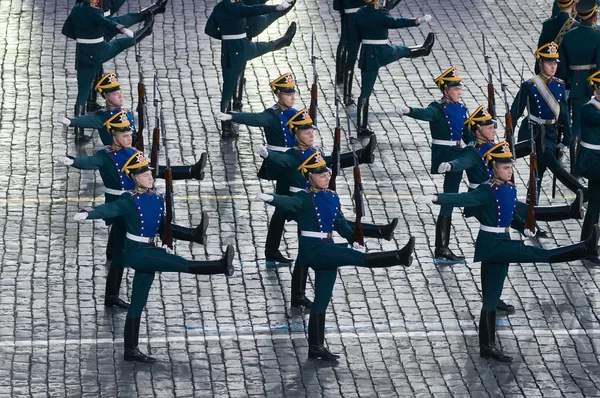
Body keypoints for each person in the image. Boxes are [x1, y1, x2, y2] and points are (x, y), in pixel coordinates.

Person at [416, 142, 600, 362]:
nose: (510, 171)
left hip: (502, 240)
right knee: (543, 256)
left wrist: (524, 226)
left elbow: (511, 216)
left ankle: (487, 346)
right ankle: (584, 248)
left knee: (491, 298)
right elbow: (463, 199)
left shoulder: (509, 188)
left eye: (511, 167)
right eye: (505, 168)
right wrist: (438, 197)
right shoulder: (486, 190)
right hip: (492, 245)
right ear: (494, 168)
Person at [73, 151, 235, 363]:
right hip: (137, 254)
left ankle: (130, 350)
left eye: (149, 173)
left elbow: (163, 228)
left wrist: (189, 236)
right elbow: (108, 209)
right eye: (144, 175)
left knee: (137, 303)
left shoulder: (157, 199)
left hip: (149, 251)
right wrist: (89, 213)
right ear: (134, 178)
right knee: (180, 264)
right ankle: (220, 266)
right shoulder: (128, 200)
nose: (150, 176)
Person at [254, 153, 415, 362]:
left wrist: (352, 237)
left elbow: (339, 223)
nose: (325, 177)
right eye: (320, 175)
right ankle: (398, 257)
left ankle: (316, 347)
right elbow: (289, 203)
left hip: (327, 248)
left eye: (326, 173)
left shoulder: (331, 196)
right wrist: (272, 198)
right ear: (309, 177)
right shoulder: (304, 198)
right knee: (357, 258)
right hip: (314, 250)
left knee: (321, 301)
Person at [216, 74, 376, 265]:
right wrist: (231, 116)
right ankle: (272, 251)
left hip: (301, 159)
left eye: (293, 92)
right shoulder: (272, 115)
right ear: (278, 94)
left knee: (322, 170)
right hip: (284, 167)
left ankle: (361, 156)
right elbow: (255, 118)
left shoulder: (295, 114)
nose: (292, 96)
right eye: (287, 93)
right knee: (287, 210)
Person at [438, 105, 584, 313]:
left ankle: (493, 297)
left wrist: (530, 146)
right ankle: (569, 212)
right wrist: (450, 166)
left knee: (520, 222)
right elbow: (462, 162)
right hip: (486, 201)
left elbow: (509, 153)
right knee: (525, 213)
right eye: (488, 127)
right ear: (478, 130)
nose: (493, 129)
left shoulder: (493, 149)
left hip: (500, 194)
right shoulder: (473, 151)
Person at [55, 112, 209, 308]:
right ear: (114, 136)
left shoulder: (134, 153)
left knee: (158, 224)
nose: (129, 138)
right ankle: (111, 295)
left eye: (130, 135)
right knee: (121, 252)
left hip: (136, 201)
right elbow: (91, 163)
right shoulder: (106, 156)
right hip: (121, 207)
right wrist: (73, 161)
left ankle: (191, 188)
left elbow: (152, 170)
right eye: (125, 135)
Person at [255, 108, 393, 307]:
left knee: (335, 222)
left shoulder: (313, 152)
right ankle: (297, 293)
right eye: (306, 132)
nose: (311, 135)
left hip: (313, 198)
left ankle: (379, 230)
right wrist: (268, 155)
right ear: (297, 135)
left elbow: (325, 163)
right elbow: (284, 159)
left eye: (312, 132)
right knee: (313, 240)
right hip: (299, 200)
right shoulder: (295, 154)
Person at [399, 67, 475, 264]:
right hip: (446, 155)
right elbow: (425, 114)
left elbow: (466, 132)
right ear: (446, 91)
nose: (459, 91)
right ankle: (441, 247)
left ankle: (443, 245)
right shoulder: (438, 107)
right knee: (449, 197)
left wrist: (479, 139)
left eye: (460, 88)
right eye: (455, 88)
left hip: (460, 153)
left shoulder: (460, 108)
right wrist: (409, 111)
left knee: (456, 194)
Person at [61, 0, 154, 141]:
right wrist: (122, 29)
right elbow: (106, 23)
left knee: (82, 92)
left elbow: (66, 29)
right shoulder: (94, 11)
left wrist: (84, 37)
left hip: (82, 53)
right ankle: (146, 30)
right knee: (120, 43)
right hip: (98, 50)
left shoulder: (76, 9)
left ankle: (79, 132)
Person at [204, 0, 297, 138]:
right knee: (265, 47)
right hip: (242, 47)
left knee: (227, 89)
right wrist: (277, 7)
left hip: (227, 52)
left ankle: (226, 128)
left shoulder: (218, 8)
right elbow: (256, 10)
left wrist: (225, 36)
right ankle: (284, 40)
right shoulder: (237, 7)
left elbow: (209, 30)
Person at [345, 0, 434, 135]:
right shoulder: (379, 14)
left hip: (367, 54)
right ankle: (423, 50)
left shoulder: (360, 13)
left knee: (365, 92)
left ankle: (361, 127)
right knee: (401, 50)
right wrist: (418, 21)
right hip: (382, 51)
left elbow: (355, 37)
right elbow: (396, 22)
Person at [512, 42, 587, 201]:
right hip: (534, 132)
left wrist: (567, 136)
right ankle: (581, 190)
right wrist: (510, 136)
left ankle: (532, 202)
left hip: (551, 132)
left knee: (540, 170)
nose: (553, 67)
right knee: (554, 165)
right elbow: (515, 111)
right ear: (540, 63)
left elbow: (564, 113)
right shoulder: (530, 86)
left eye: (555, 63)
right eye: (549, 63)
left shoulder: (559, 86)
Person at [558, 0, 600, 172]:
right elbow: (599, 64)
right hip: (594, 83)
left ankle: (574, 159)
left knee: (576, 124)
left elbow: (562, 67)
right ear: (594, 16)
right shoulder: (598, 35)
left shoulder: (567, 36)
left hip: (575, 84)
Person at [577, 70, 600, 264]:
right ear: (595, 90)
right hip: (591, 161)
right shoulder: (589, 109)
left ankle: (588, 244)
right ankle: (587, 245)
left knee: (595, 204)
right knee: (595, 204)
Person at [536, 0, 578, 75]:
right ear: (573, 5)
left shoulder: (547, 24)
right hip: (566, 72)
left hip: (548, 68)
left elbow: (540, 48)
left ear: (558, 5)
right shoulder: (576, 27)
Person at [332, 0, 366, 85]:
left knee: (344, 39)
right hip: (359, 8)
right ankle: (347, 94)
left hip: (346, 8)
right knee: (352, 55)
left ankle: (340, 74)